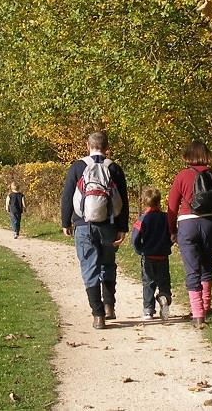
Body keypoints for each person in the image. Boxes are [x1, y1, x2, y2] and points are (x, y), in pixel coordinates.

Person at [167, 140, 212, 329]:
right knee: (207, 265)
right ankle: (206, 306)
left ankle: (198, 314)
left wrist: (172, 231)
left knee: (192, 269)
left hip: (187, 224)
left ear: (188, 156)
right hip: (210, 223)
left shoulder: (182, 176)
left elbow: (172, 208)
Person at [61, 131, 130, 330]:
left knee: (89, 267)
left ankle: (98, 315)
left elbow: (67, 197)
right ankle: (109, 306)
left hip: (83, 225)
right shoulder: (114, 168)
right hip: (109, 225)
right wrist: (122, 227)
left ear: (87, 145)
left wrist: (66, 222)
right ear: (107, 147)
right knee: (108, 263)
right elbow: (123, 201)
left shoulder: (78, 166)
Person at [131, 187, 172, 321]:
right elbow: (172, 235)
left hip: (148, 256)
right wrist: (167, 246)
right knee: (164, 282)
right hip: (163, 256)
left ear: (144, 202)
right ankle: (164, 297)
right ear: (159, 201)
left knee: (148, 283)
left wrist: (139, 250)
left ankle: (148, 310)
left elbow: (135, 238)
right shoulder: (166, 218)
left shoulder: (143, 219)